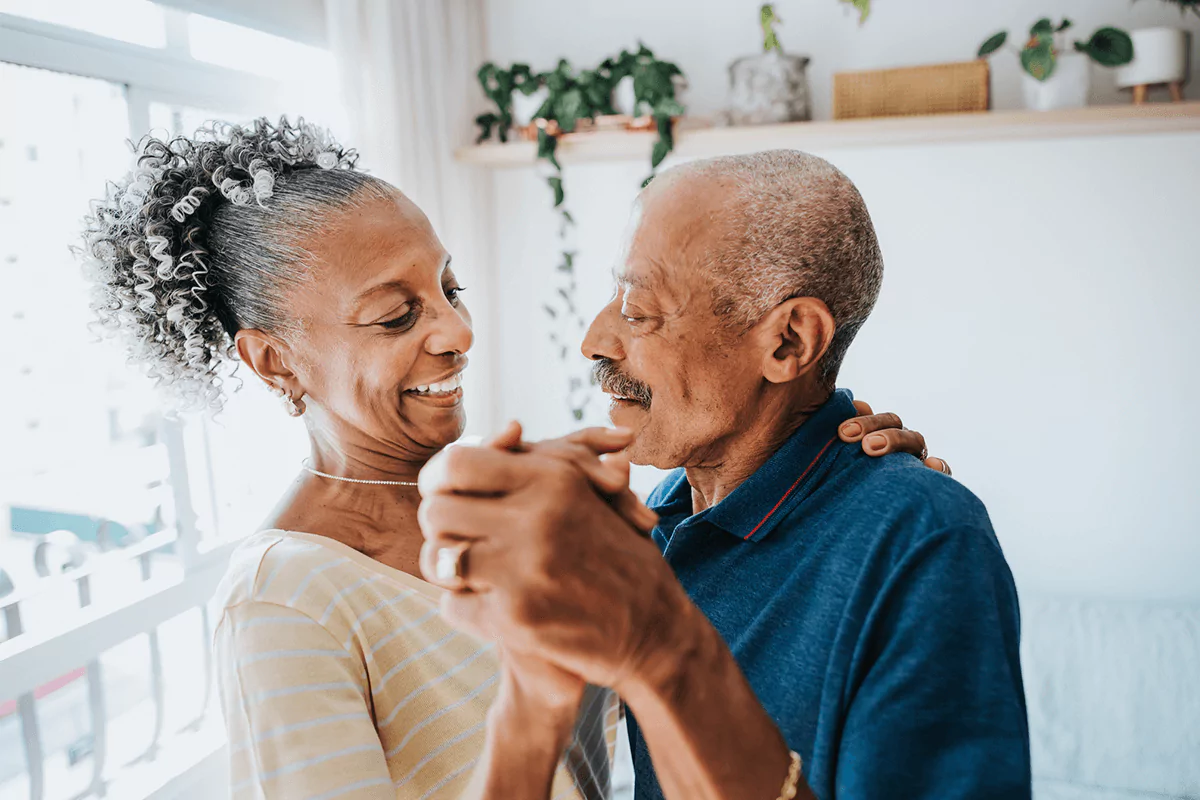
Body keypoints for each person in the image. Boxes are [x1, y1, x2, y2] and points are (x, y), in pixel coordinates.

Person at [78, 120, 937, 799]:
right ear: (273, 360)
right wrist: (531, 710)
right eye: (395, 316)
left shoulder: (528, 499)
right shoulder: (284, 601)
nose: (456, 333)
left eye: (447, 289)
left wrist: (853, 487)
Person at [416, 151, 1031, 799]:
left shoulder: (924, 541)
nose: (593, 342)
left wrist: (668, 650)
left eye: (639, 308)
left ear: (789, 342)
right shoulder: (665, 513)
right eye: (612, 295)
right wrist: (533, 686)